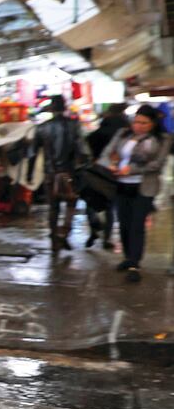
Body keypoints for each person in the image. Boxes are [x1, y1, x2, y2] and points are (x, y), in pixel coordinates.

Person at [99, 104, 170, 283]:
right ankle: (127, 257)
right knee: (123, 224)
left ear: (153, 124)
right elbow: (107, 153)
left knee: (137, 225)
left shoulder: (162, 139)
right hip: (121, 185)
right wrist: (112, 165)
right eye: (136, 122)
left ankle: (134, 265)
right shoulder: (123, 134)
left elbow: (157, 164)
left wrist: (131, 170)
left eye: (144, 123)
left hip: (144, 187)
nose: (138, 126)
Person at [28, 95, 90, 252]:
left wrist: (29, 174)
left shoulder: (41, 128)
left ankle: (54, 237)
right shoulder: (74, 125)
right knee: (71, 204)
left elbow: (32, 153)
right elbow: (83, 150)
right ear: (64, 108)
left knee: (53, 207)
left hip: (50, 174)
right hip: (70, 173)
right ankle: (64, 233)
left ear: (51, 109)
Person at [84, 103, 129, 249]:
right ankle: (106, 239)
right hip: (115, 172)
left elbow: (88, 142)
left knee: (91, 200)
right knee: (110, 205)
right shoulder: (125, 129)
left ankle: (94, 228)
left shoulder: (101, 129)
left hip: (97, 169)